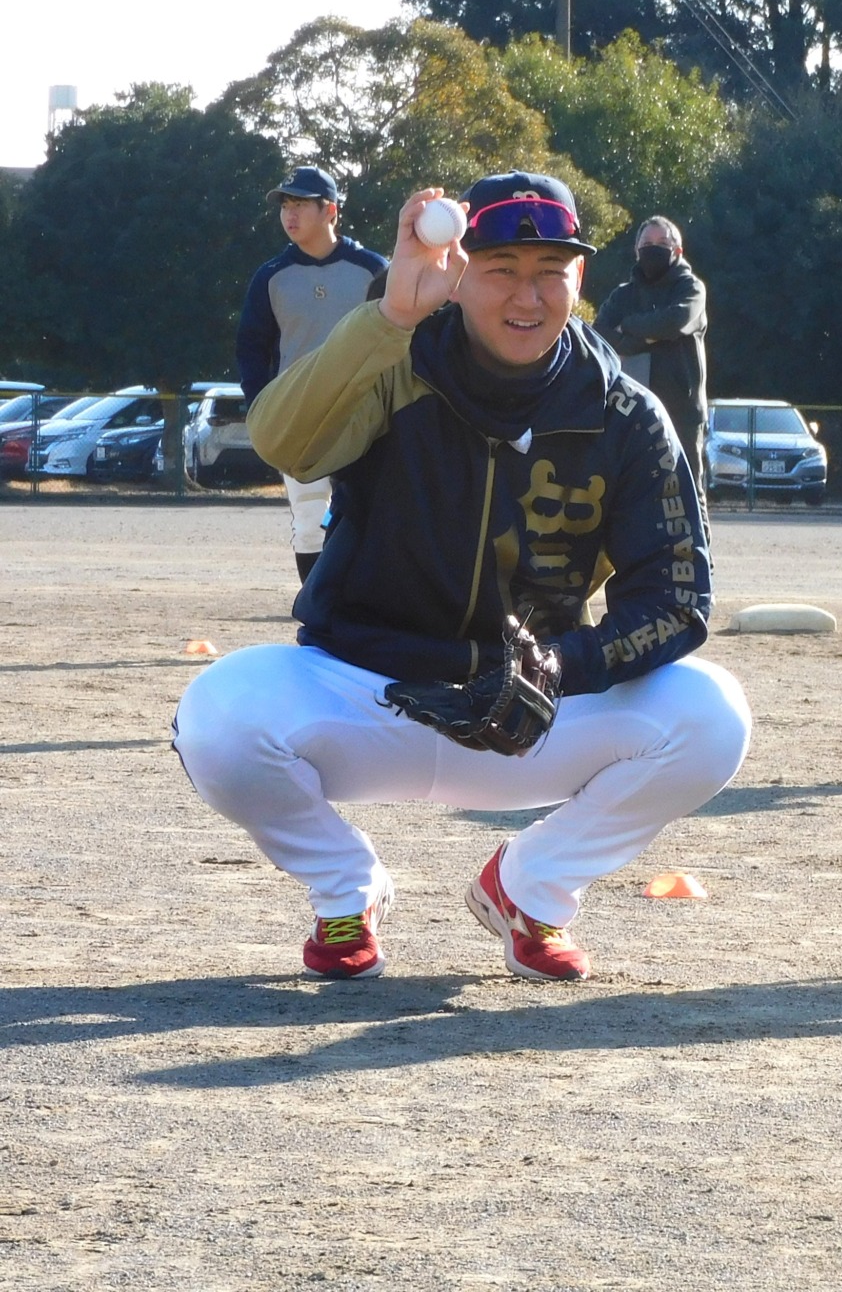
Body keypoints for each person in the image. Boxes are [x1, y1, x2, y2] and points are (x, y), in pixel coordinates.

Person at [174, 171, 752, 983]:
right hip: (368, 692)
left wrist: (562, 668)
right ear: (459, 273)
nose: (528, 293)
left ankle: (528, 889)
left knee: (712, 714)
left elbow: (678, 597)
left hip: (528, 712)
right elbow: (282, 442)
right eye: (501, 267)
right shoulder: (396, 363)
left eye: (550, 269)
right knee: (218, 716)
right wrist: (390, 315)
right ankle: (346, 888)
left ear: (578, 279)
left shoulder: (625, 414)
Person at [236, 166, 388, 583]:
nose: (290, 213)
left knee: (369, 516)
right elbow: (251, 350)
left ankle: (365, 608)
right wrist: (262, 408)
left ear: (331, 212)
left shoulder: (372, 269)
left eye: (300, 204)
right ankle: (317, 610)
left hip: (366, 414)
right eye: (286, 205)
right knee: (307, 520)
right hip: (301, 414)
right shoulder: (271, 276)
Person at [595, 216, 709, 501]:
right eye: (646, 243)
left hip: (682, 409)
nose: (653, 248)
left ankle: (699, 547)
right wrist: (649, 335)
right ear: (636, 250)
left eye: (662, 243)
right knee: (631, 490)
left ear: (678, 251)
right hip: (631, 410)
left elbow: (676, 320)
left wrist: (629, 327)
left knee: (688, 492)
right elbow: (599, 334)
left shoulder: (691, 289)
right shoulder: (623, 295)